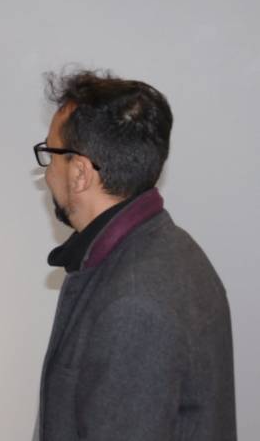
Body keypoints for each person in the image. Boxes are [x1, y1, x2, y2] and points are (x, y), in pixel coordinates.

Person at [32, 70, 236, 440]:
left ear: (80, 173)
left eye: (51, 154)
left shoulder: (134, 305)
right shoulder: (174, 250)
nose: (47, 175)